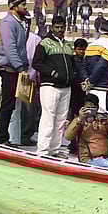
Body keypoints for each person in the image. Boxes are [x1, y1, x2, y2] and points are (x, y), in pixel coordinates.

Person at [31, 15, 78, 158]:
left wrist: (74, 74)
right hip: (50, 85)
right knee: (48, 118)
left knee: (61, 120)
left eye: (62, 27)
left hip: (66, 87)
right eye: (57, 27)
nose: (60, 30)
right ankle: (43, 151)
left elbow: (74, 64)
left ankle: (54, 150)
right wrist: (52, 72)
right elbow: (36, 63)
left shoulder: (68, 45)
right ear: (52, 28)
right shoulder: (44, 43)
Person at [0, 0, 31, 146]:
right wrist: (20, 67)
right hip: (10, 70)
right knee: (7, 105)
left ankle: (9, 136)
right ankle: (2, 137)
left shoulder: (19, 23)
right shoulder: (8, 23)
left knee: (14, 105)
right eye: (23, 5)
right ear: (15, 7)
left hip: (16, 69)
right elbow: (11, 49)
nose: (26, 8)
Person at [64, 95, 108, 170]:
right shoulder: (79, 121)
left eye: (93, 108)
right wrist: (79, 119)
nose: (90, 111)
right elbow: (68, 136)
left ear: (98, 108)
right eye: (88, 108)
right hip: (89, 158)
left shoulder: (103, 118)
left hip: (107, 157)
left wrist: (107, 121)